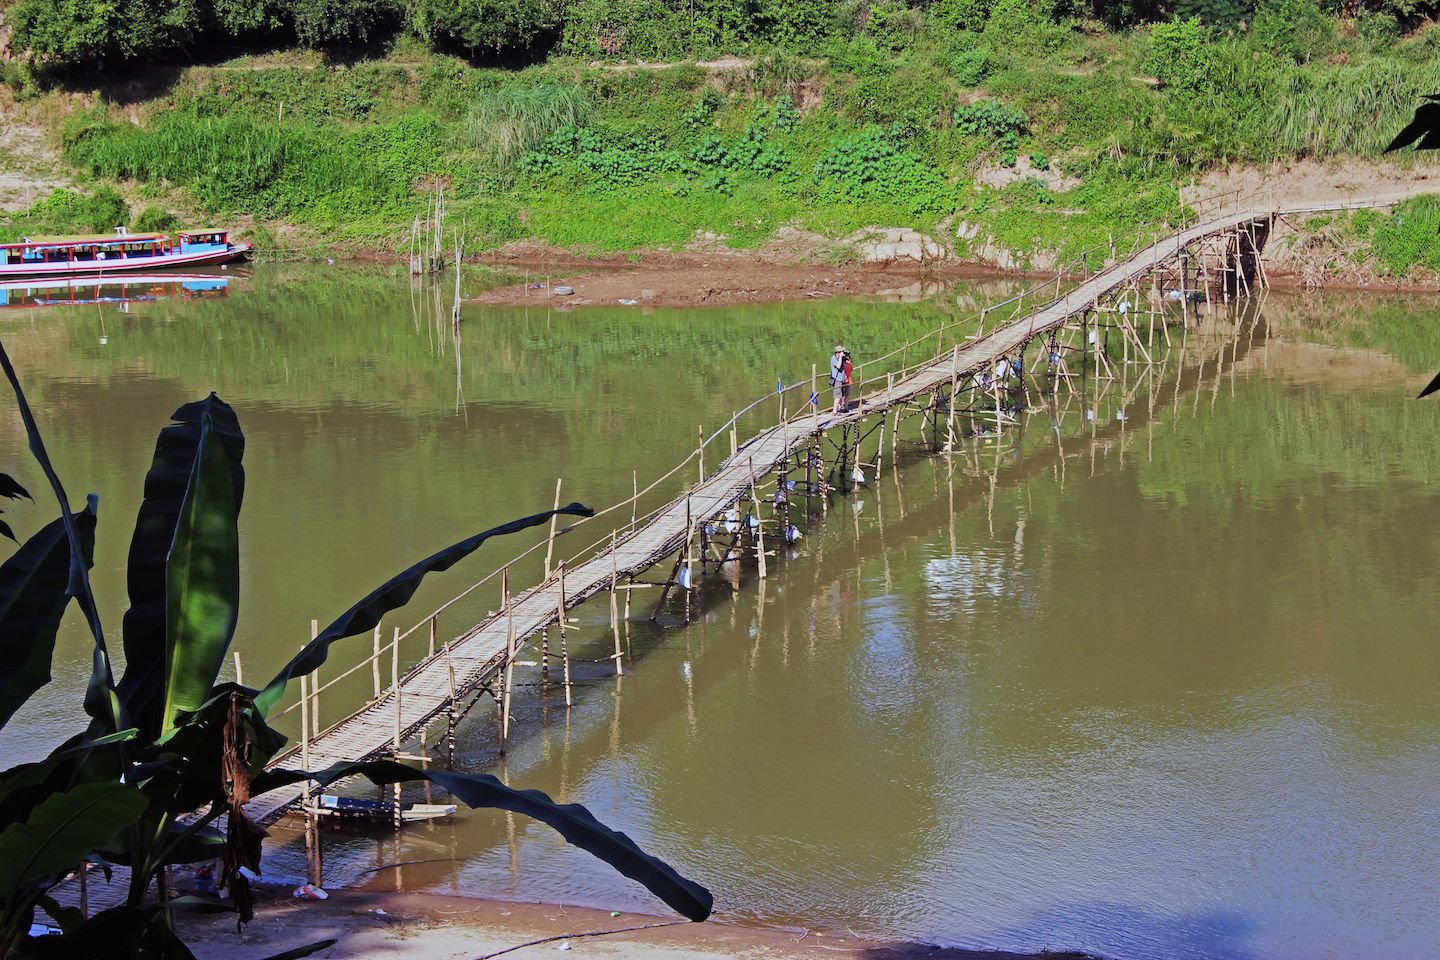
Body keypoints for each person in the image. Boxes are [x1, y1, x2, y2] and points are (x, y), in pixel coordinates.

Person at [829, 344, 853, 414]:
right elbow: (838, 366)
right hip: (837, 380)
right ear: (837, 352)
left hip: (842, 379)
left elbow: (849, 365)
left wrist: (847, 357)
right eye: (841, 351)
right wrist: (840, 358)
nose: (842, 353)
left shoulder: (842, 358)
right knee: (837, 396)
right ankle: (834, 411)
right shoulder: (833, 358)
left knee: (842, 395)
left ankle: (840, 408)